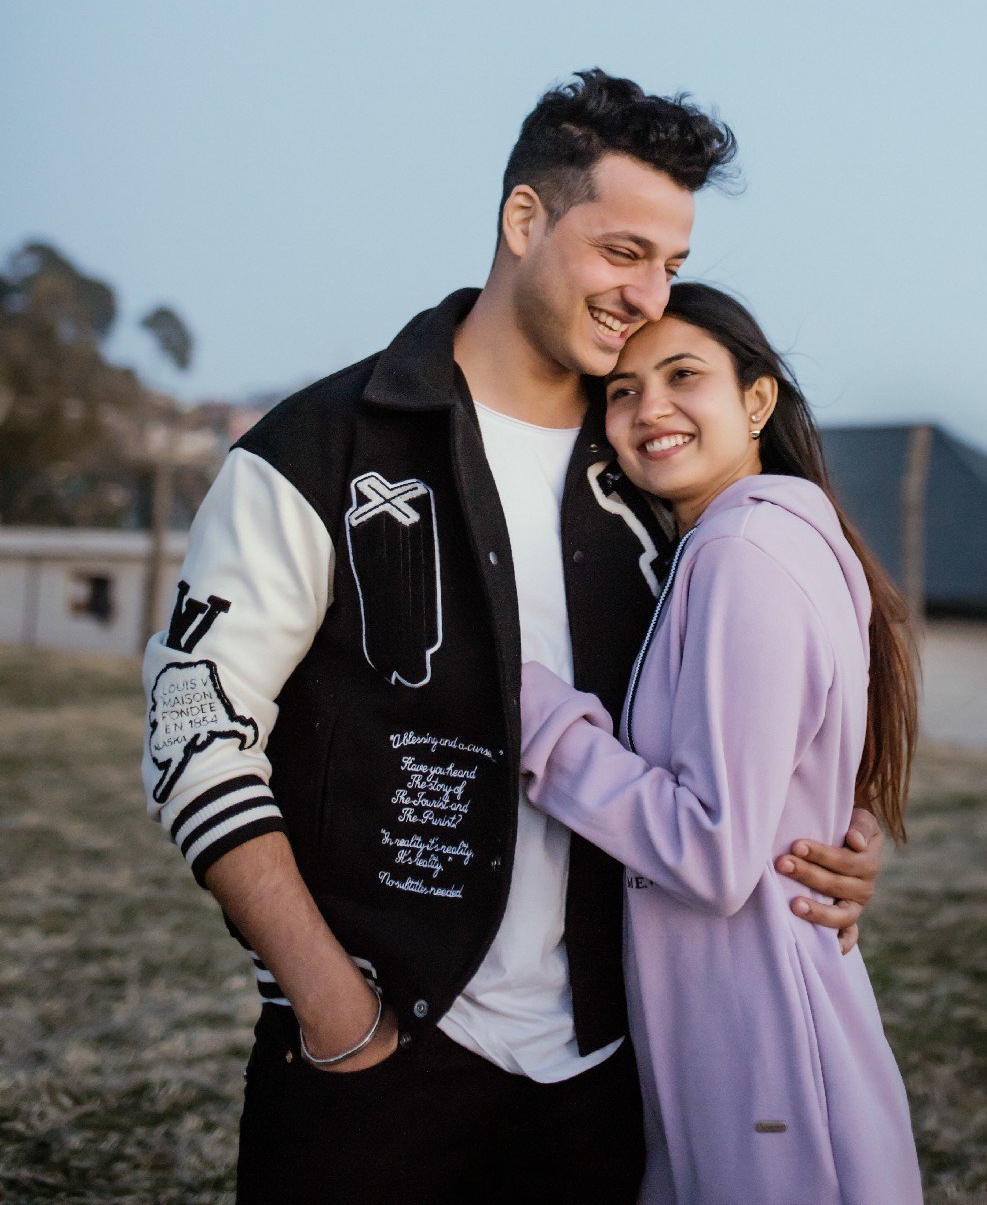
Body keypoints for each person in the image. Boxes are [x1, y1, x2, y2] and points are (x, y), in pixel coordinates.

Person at [141, 70, 884, 1204]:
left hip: (608, 1072)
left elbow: (746, 702)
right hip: (375, 1067)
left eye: (672, 266)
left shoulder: (647, 475)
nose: (648, 294)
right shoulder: (319, 449)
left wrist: (825, 834)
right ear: (525, 220)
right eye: (624, 251)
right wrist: (337, 1012)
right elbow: (193, 728)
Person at [518, 282, 924, 1204]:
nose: (648, 408)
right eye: (621, 390)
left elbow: (713, 851)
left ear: (756, 400)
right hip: (744, 1022)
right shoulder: (758, 542)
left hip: (765, 1048)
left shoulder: (744, 553)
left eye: (682, 375)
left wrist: (534, 709)